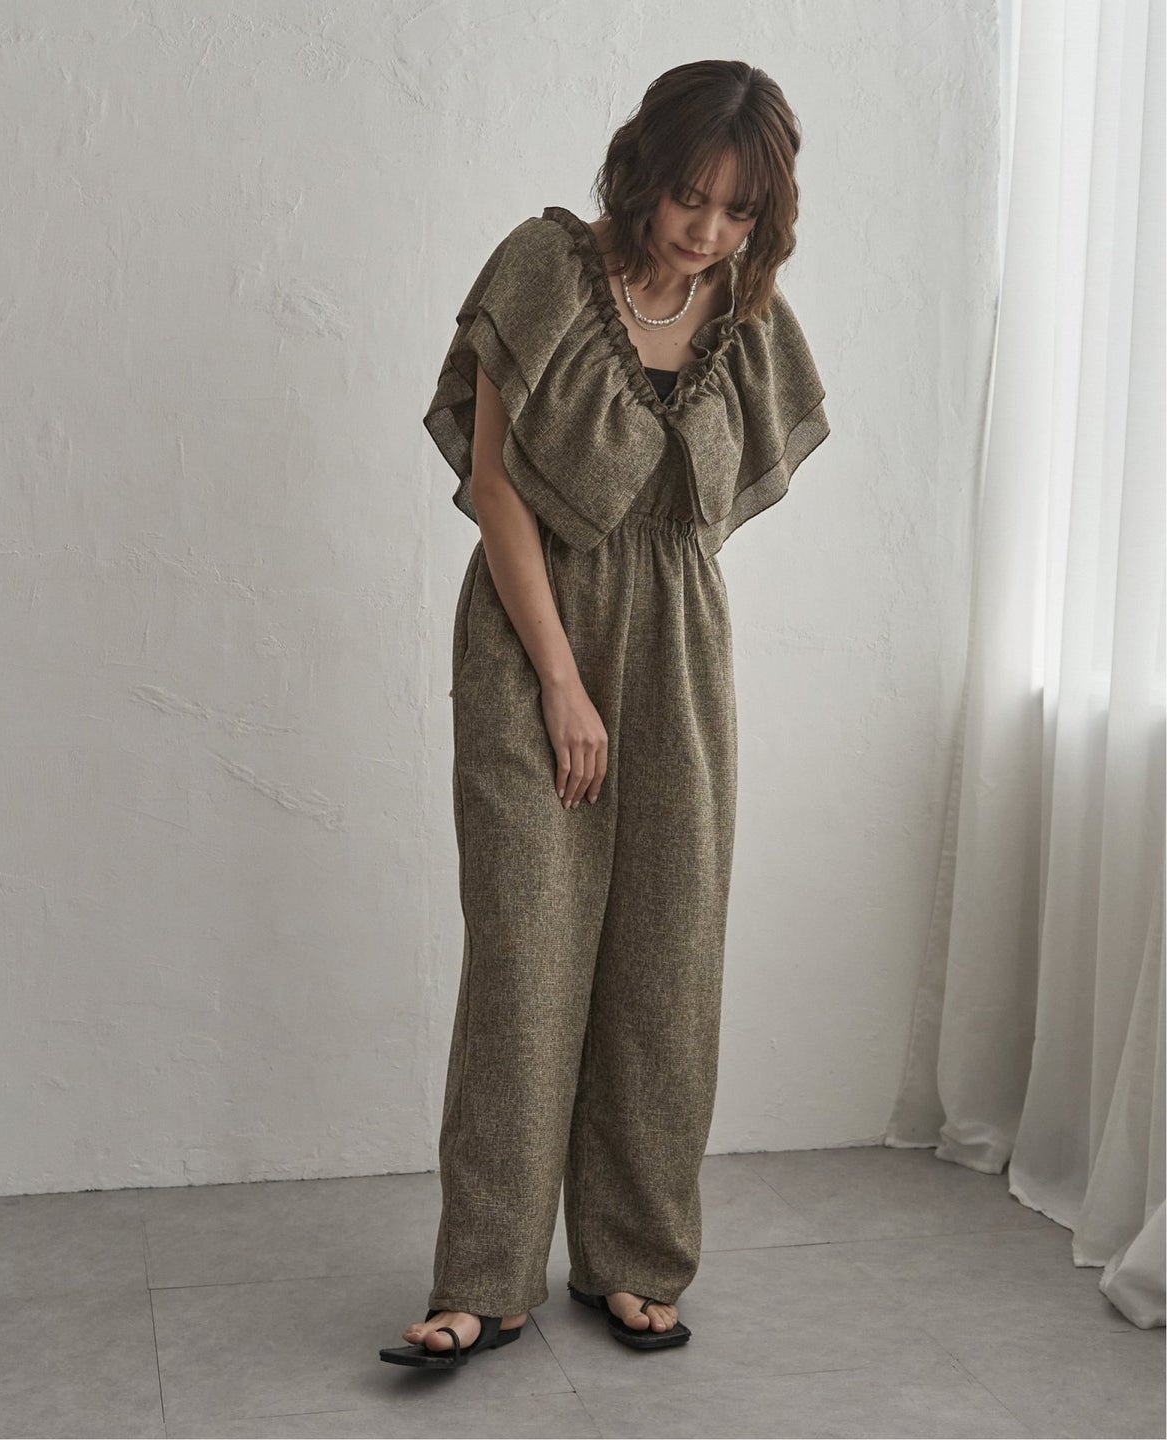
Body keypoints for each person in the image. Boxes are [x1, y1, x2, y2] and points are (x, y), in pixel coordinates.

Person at [380, 58, 829, 1371]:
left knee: (667, 963)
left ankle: (634, 1260)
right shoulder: (543, 268)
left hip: (677, 650)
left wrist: (640, 640)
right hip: (533, 640)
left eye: (738, 212)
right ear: (642, 170)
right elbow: (494, 485)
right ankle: (486, 1280)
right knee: (526, 960)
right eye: (691, 195)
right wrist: (565, 683)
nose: (707, 230)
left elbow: (704, 519)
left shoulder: (749, 319)